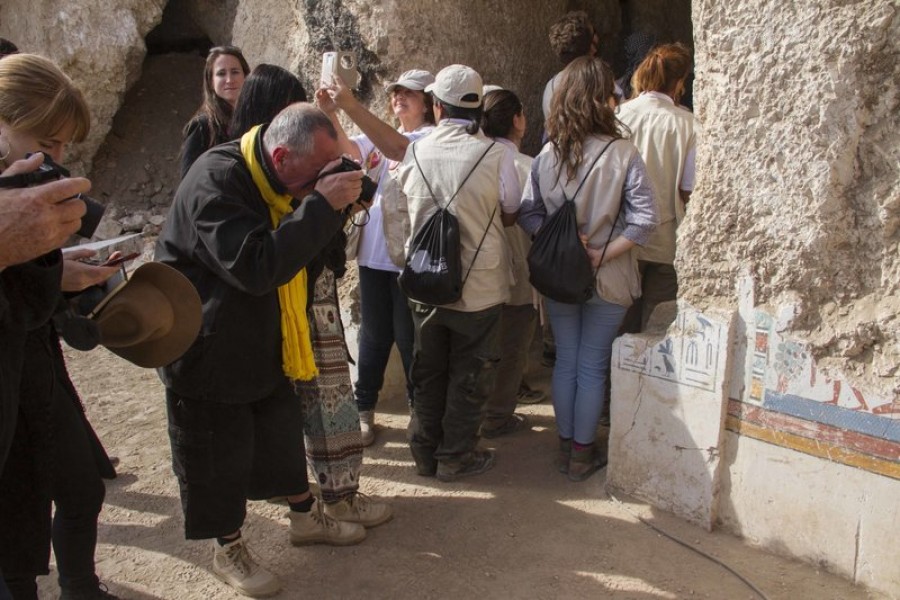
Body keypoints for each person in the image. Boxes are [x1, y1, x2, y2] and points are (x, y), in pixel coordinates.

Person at [155, 102, 368, 598]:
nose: (320, 184)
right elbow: (255, 265)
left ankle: (303, 517)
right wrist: (321, 205)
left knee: (277, 434)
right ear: (280, 155)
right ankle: (226, 546)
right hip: (206, 342)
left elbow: (302, 256)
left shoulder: (278, 178)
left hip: (263, 333)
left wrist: (337, 204)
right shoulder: (217, 181)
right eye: (316, 174)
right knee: (217, 454)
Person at [232, 63, 391, 529]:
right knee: (313, 399)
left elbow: (355, 180)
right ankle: (324, 500)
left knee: (328, 396)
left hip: (309, 284)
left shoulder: (283, 158)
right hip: (282, 294)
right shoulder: (241, 167)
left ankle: (334, 495)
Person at [0, 53, 123, 600]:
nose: (53, 160)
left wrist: (58, 273)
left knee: (77, 490)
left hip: (31, 373)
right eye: (47, 144)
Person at [518, 57, 657, 482]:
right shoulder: (624, 153)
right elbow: (645, 221)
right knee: (593, 364)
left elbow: (527, 212)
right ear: (604, 99)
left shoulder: (546, 155)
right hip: (609, 275)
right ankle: (582, 452)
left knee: (566, 361)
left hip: (561, 275)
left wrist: (560, 241)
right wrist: (601, 253)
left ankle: (566, 443)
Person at [393, 65, 522, 481]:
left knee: (427, 370)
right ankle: (456, 457)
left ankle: (424, 455)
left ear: (436, 106)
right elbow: (510, 211)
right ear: (479, 106)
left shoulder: (414, 152)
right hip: (479, 285)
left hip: (425, 280)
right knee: (471, 373)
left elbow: (395, 214)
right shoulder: (496, 155)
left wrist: (405, 259)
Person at [316, 68, 436, 446]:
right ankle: (364, 408)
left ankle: (419, 410)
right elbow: (352, 153)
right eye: (396, 92)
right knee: (373, 336)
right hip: (373, 254)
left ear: (429, 104)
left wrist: (349, 105)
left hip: (408, 257)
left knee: (406, 336)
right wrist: (331, 114)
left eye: (410, 94)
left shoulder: (429, 138)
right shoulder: (380, 136)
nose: (400, 97)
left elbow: (396, 147)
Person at [616, 43, 696, 332]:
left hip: (622, 236)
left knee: (620, 323)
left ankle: (611, 378)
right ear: (680, 83)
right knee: (657, 326)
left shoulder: (619, 116)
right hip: (666, 238)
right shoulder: (688, 124)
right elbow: (689, 188)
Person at [478, 88, 543, 438]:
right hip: (519, 271)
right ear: (517, 120)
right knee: (514, 346)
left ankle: (477, 411)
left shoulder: (474, 160)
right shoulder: (529, 167)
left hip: (476, 272)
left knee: (482, 347)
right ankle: (497, 416)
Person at [179, 45, 249, 178]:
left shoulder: (254, 119)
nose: (229, 80)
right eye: (221, 74)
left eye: (235, 72)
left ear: (245, 76)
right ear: (211, 82)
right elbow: (189, 181)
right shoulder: (202, 126)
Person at [541, 11, 623, 125]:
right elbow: (623, 113)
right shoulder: (601, 80)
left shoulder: (551, 87)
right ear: (591, 48)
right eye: (593, 33)